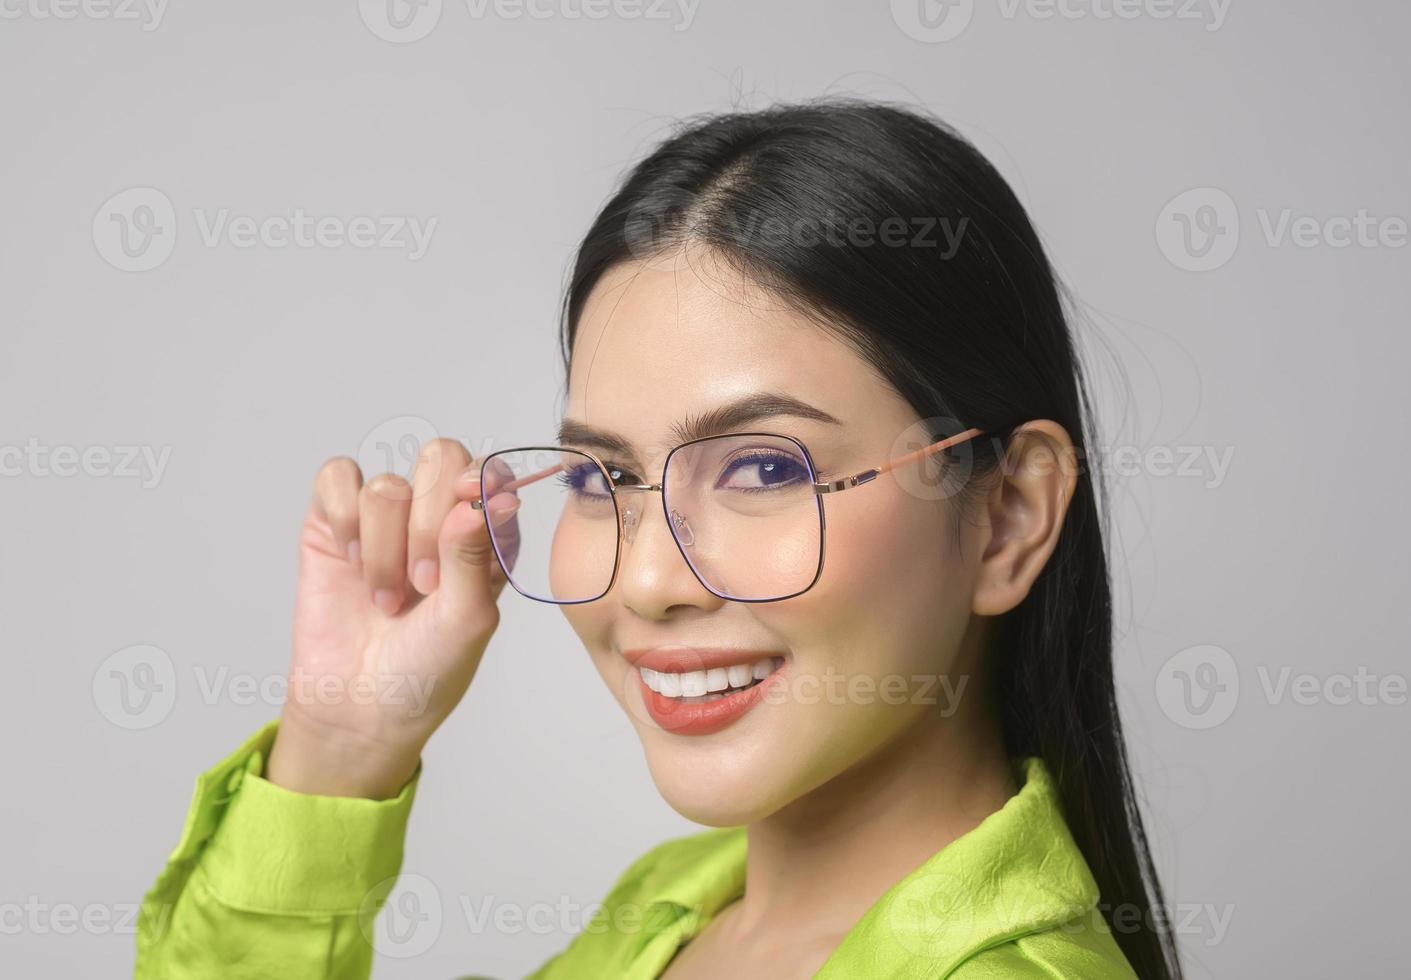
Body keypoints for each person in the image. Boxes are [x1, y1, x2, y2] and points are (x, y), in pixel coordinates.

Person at [134, 97, 1181, 979]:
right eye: (600, 477)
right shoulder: (668, 910)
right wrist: (338, 746)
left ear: (1008, 516)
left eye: (766, 468)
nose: (644, 579)